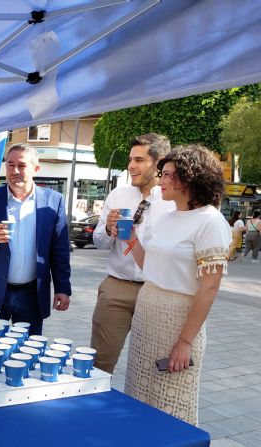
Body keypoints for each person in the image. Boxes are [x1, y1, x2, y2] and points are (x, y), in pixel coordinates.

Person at [124, 144, 231, 425]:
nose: (160, 181)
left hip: (177, 322)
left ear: (189, 178)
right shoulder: (169, 216)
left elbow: (209, 287)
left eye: (168, 174)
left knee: (171, 404)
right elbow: (150, 266)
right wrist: (130, 238)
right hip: (148, 315)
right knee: (139, 395)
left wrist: (185, 342)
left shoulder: (210, 220)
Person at [0, 143, 71, 335]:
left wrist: (63, 288)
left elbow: (59, 250)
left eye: (21, 165)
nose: (15, 171)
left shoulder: (53, 201)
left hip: (32, 294)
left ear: (35, 169)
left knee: (28, 351)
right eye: (10, 165)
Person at [90, 133, 173, 374]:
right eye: (130, 160)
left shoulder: (173, 201)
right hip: (117, 287)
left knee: (152, 364)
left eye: (139, 160)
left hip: (156, 289)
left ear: (159, 162)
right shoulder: (118, 195)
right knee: (99, 363)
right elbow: (99, 242)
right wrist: (107, 228)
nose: (131, 166)